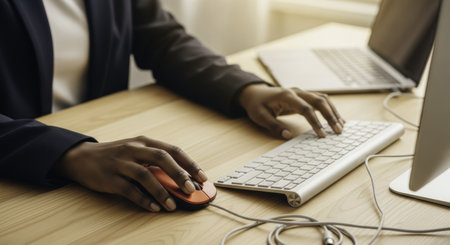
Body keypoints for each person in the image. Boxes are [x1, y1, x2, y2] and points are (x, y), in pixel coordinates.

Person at [0, 0, 344, 212]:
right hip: (21, 183)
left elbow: (164, 40)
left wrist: (247, 89)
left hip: (108, 156)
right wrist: (68, 154)